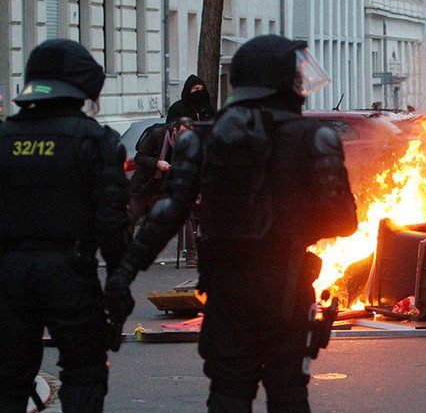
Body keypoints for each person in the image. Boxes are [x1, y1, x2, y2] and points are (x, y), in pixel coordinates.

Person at [104, 34, 358, 411]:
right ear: (279, 83)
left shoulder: (202, 140)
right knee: (288, 394)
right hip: (287, 286)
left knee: (228, 395)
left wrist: (123, 274)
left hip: (228, 289)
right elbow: (344, 221)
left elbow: (165, 216)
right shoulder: (314, 137)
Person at [0, 39, 129, 411]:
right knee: (85, 373)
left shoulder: (5, 139)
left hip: (7, 275)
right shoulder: (95, 141)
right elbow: (112, 225)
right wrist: (119, 285)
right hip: (70, 275)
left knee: (8, 378)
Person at [128, 116, 197, 265]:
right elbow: (139, 157)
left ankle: (190, 255)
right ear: (174, 131)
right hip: (148, 183)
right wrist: (157, 163)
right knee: (131, 215)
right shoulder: (157, 135)